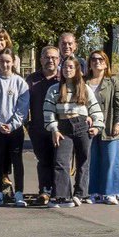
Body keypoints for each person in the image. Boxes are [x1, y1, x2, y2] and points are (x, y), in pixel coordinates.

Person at [44, 55, 103, 208]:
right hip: (63, 127)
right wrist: (54, 129)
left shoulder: (84, 88)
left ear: (78, 70)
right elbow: (48, 111)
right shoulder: (54, 89)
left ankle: (81, 194)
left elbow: (94, 108)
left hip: (82, 126)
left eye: (71, 67)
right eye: (64, 67)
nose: (67, 70)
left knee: (83, 160)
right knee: (61, 161)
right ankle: (62, 196)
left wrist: (96, 125)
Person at [0, 50, 30, 207]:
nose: (5, 64)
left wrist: (12, 124)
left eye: (8, 61)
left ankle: (19, 193)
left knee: (17, 161)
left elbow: (22, 108)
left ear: (14, 62)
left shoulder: (20, 83)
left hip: (14, 129)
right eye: (2, 61)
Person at [86, 50, 119, 205]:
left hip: (109, 126)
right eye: (94, 59)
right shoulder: (84, 81)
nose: (97, 62)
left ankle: (111, 192)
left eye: (101, 59)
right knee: (92, 160)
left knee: (110, 160)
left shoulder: (113, 81)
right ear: (89, 63)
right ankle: (94, 191)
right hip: (89, 127)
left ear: (106, 62)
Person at [26, 47, 61, 205]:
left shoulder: (63, 79)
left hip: (60, 129)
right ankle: (45, 192)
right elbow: (23, 103)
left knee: (59, 160)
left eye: (54, 57)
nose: (50, 60)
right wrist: (28, 124)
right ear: (41, 60)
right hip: (38, 127)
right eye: (47, 57)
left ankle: (59, 191)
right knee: (44, 160)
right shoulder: (32, 79)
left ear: (59, 60)